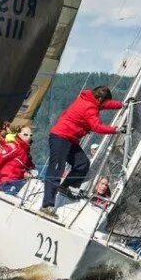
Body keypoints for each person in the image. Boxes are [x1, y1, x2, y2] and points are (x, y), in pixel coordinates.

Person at [41, 86, 123, 216]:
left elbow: (107, 105)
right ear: (100, 99)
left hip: (70, 140)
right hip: (60, 137)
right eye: (104, 102)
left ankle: (64, 187)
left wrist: (122, 104)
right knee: (56, 169)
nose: (105, 105)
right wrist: (116, 129)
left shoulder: (91, 99)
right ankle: (47, 206)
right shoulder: (90, 107)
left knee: (82, 163)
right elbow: (97, 127)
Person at [0, 124, 34, 195]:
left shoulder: (25, 151)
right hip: (7, 181)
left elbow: (28, 166)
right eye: (26, 134)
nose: (29, 137)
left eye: (31, 135)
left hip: (17, 181)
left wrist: (28, 172)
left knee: (33, 189)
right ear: (19, 135)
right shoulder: (14, 146)